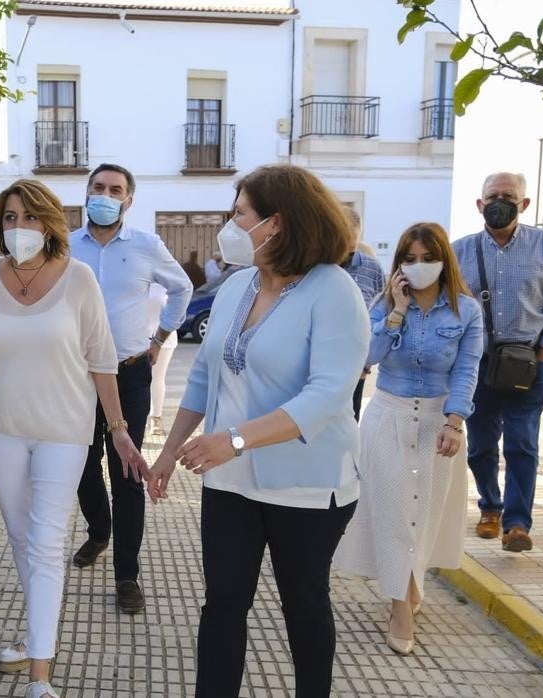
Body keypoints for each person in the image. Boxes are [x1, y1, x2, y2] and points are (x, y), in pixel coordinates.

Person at [0, 178, 150, 698]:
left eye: (30, 217)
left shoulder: (80, 278)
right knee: (22, 539)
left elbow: (102, 361)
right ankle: (35, 637)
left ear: (50, 223)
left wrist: (120, 431)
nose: (20, 227)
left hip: (64, 429)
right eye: (11, 219)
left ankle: (40, 675)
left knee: (44, 544)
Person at [146, 165, 369, 698]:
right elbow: (204, 375)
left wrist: (235, 439)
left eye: (239, 212)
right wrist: (168, 451)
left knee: (303, 602)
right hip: (230, 482)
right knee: (222, 603)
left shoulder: (334, 290)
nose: (231, 222)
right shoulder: (237, 285)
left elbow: (326, 396)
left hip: (308, 483)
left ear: (277, 222)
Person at [333, 222, 483, 655]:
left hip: (439, 421)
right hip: (388, 418)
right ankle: (400, 603)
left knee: (427, 513)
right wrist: (396, 311)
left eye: (427, 258)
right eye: (410, 259)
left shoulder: (466, 312)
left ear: (443, 261)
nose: (419, 267)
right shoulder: (383, 304)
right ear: (399, 264)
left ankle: (411, 583)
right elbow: (367, 357)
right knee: (397, 512)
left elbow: (466, 370)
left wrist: (455, 422)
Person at [68, 163, 192, 614]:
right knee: (82, 465)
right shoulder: (64, 247)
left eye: (115, 189)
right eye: (98, 187)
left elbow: (182, 288)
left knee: (128, 473)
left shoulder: (146, 246)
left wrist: (159, 339)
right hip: (76, 377)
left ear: (128, 200)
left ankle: (127, 574)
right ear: (87, 192)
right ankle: (99, 532)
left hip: (129, 372)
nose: (105, 194)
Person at [452, 171, 543, 552]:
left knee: (522, 443)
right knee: (481, 446)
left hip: (529, 364)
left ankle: (517, 524)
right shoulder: (460, 250)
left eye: (508, 195)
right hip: (479, 365)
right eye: (492, 196)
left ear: (524, 203)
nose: (498, 202)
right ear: (479, 203)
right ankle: (490, 507)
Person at [342, 207, 388, 420]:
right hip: (314, 365)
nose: (343, 254)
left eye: (350, 250)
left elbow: (380, 312)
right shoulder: (310, 266)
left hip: (357, 365)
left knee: (351, 419)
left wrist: (366, 361)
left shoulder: (371, 268)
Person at [147, 282, 180, 437]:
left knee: (157, 378)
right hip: (135, 336)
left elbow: (179, 305)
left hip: (164, 337)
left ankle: (156, 418)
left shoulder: (168, 277)